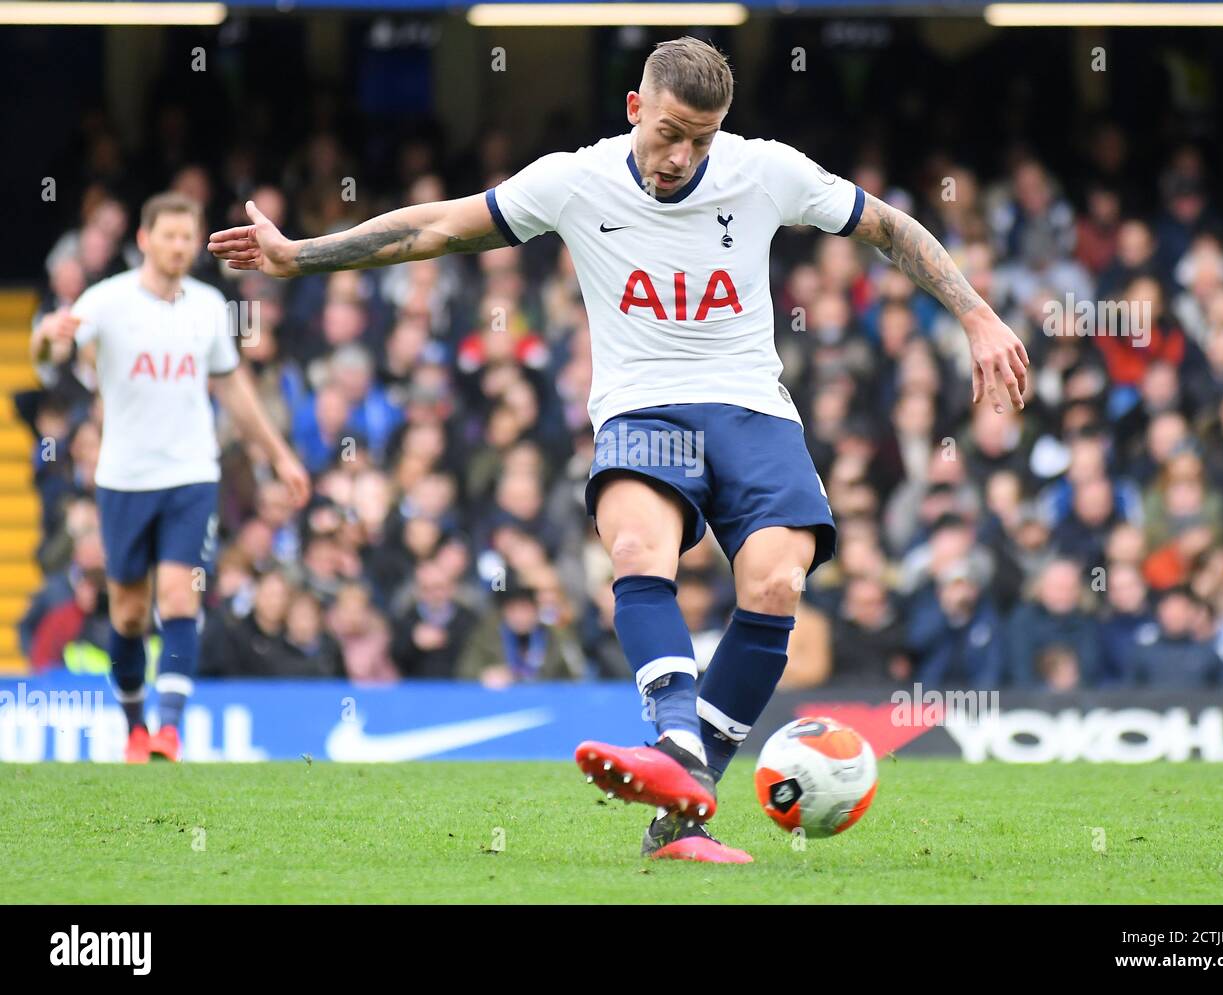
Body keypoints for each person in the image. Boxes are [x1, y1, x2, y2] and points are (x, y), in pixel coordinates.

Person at [208, 38, 1028, 862]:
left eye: (702, 140)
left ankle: (678, 810)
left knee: (777, 582)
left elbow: (885, 224)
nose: (682, 155)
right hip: (640, 402)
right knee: (637, 546)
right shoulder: (575, 180)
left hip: (749, 404)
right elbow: (439, 226)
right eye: (669, 132)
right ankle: (677, 747)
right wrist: (300, 255)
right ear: (635, 108)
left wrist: (979, 315)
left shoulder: (765, 171)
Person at [31, 191, 309, 763]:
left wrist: (279, 455)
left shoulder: (208, 304)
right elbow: (51, 356)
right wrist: (46, 337)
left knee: (181, 595)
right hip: (124, 478)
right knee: (129, 611)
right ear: (144, 240)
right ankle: (136, 729)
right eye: (170, 236)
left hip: (191, 474)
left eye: (189, 236)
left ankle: (170, 730)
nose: (180, 246)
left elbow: (232, 387)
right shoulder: (106, 302)